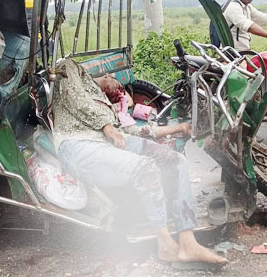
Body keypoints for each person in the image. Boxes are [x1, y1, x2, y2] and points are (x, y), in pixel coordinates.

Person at [51, 58, 228, 267]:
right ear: (107, 76)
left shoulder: (104, 102)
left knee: (175, 160)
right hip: (78, 144)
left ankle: (188, 242)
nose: (119, 88)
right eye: (116, 82)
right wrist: (107, 126)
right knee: (146, 168)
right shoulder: (69, 67)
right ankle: (165, 245)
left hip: (105, 140)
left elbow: (130, 130)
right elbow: (77, 100)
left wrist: (177, 128)